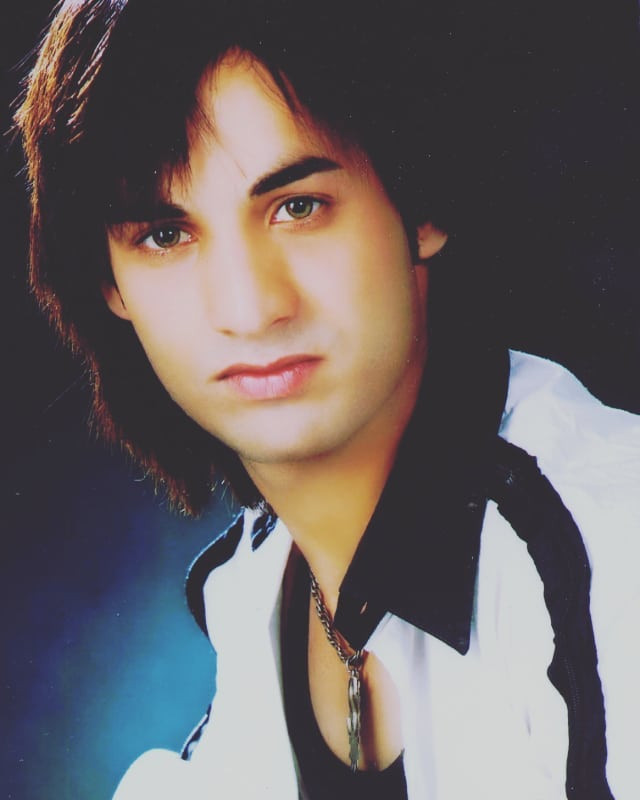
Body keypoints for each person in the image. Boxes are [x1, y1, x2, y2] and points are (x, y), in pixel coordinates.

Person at [15, 0, 639, 797]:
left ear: (422, 206)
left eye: (297, 207)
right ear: (111, 286)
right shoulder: (257, 589)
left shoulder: (614, 554)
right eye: (166, 235)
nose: (249, 308)